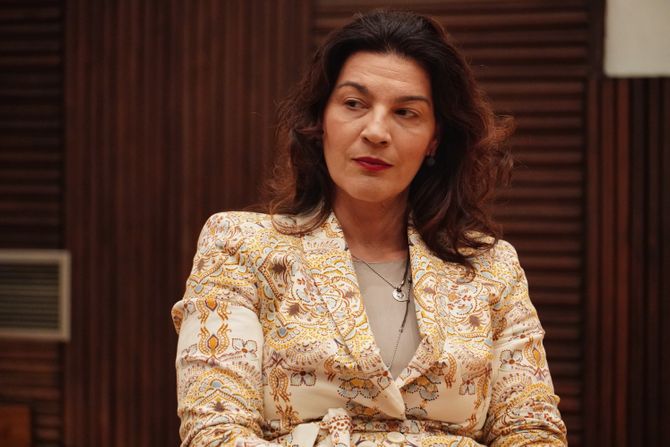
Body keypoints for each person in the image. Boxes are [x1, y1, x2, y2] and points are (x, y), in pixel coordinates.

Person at [172, 9, 567, 447]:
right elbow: (214, 433)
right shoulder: (240, 246)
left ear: (435, 138)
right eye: (354, 104)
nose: (376, 131)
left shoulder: (490, 266)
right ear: (321, 120)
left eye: (406, 112)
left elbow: (532, 431)